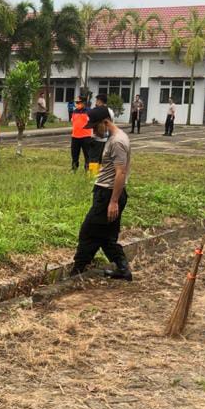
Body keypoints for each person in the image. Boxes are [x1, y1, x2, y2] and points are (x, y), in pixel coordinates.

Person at [70, 106, 133, 281]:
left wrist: (113, 201)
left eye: (95, 127)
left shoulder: (117, 141)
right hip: (108, 193)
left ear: (105, 122)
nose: (94, 132)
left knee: (88, 232)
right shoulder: (116, 138)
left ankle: (77, 271)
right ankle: (123, 268)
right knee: (106, 237)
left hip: (108, 194)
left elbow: (121, 172)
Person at [70, 97, 93, 172]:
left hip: (86, 136)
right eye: (76, 103)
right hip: (75, 136)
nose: (77, 104)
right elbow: (73, 122)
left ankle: (87, 169)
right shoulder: (74, 111)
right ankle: (74, 168)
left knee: (87, 154)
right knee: (74, 154)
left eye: (78, 103)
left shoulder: (89, 111)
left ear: (83, 103)